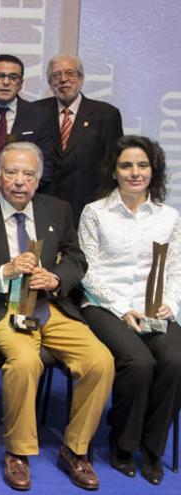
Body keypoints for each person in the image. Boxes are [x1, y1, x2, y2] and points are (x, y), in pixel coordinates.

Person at [0, 141, 114, 491]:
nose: (19, 182)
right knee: (25, 361)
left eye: (28, 174)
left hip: (48, 306)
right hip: (0, 308)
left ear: (38, 180)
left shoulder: (57, 210)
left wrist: (56, 279)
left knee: (100, 360)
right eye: (11, 172)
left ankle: (75, 448)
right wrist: (4, 270)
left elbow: (76, 259)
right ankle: (18, 451)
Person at [79, 135, 181, 486]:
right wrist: (123, 308)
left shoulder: (169, 217)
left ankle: (152, 448)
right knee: (139, 364)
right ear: (114, 170)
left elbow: (177, 268)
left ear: (154, 171)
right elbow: (87, 272)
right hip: (106, 307)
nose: (134, 173)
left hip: (157, 310)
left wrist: (173, 304)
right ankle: (123, 443)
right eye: (126, 165)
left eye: (142, 165)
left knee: (175, 361)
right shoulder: (95, 212)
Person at [36, 54, 124, 224]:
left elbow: (114, 165)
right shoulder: (36, 111)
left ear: (81, 78)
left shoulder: (106, 115)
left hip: (88, 209)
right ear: (49, 82)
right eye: (56, 75)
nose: (63, 79)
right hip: (43, 207)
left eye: (70, 73)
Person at [0, 54, 57, 192]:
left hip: (22, 197)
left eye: (13, 77)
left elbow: (45, 165)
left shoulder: (39, 116)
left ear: (21, 83)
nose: (6, 82)